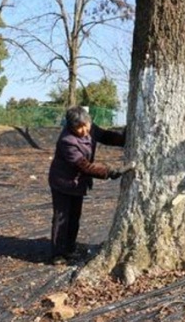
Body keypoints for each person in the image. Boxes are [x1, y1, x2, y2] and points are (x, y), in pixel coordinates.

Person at [48, 106, 127, 265]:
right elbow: (84, 166)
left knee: (74, 217)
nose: (84, 130)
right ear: (71, 126)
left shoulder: (91, 128)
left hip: (78, 183)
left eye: (86, 126)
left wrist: (124, 139)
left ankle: (70, 248)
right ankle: (58, 253)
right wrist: (109, 172)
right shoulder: (67, 141)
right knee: (62, 217)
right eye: (79, 128)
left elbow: (105, 136)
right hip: (62, 182)